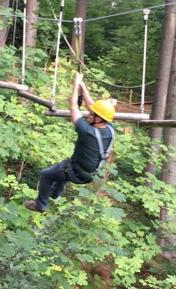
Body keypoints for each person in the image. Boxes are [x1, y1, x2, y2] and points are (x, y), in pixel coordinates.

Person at [25, 72, 116, 212]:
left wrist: (75, 83)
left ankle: (40, 205)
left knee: (46, 174)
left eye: (92, 115)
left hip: (75, 171)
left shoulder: (87, 132)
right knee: (63, 168)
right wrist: (83, 87)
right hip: (88, 174)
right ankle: (55, 194)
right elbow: (93, 106)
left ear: (98, 119)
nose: (88, 114)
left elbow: (73, 105)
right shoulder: (109, 128)